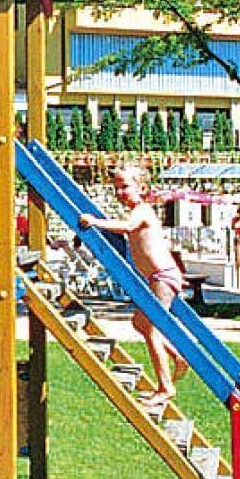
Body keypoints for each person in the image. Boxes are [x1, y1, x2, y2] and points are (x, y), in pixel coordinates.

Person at [78, 164, 184, 411]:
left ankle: (165, 387)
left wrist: (95, 222)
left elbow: (127, 227)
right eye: (116, 188)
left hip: (163, 277)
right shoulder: (136, 211)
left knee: (152, 329)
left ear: (142, 188)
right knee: (140, 323)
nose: (120, 192)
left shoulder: (142, 211)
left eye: (125, 187)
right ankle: (177, 356)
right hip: (157, 278)